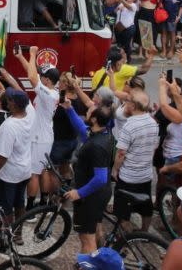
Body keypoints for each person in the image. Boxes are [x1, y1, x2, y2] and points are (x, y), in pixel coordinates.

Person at [61, 102, 112, 254]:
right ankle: (99, 258)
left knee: (86, 239)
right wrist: (69, 109)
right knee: (95, 228)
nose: (86, 113)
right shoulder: (102, 132)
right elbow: (82, 129)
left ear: (95, 119)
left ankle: (88, 263)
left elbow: (100, 178)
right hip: (100, 193)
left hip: (91, 196)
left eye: (90, 112)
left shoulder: (97, 145)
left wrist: (79, 193)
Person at [15, 45, 60, 211]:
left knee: (34, 173)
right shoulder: (50, 91)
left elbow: (33, 77)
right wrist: (21, 57)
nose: (40, 77)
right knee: (43, 170)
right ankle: (44, 203)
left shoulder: (48, 95)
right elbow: (33, 74)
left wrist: (33, 54)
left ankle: (30, 208)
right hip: (44, 136)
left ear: (47, 80)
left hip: (39, 139)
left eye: (43, 76)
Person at [112, 89, 160, 231]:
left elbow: (121, 153)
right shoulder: (153, 122)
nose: (125, 104)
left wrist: (115, 169)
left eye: (127, 101)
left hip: (128, 176)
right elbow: (153, 147)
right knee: (146, 206)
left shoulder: (129, 126)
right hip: (145, 174)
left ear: (133, 106)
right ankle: (144, 232)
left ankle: (125, 239)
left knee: (123, 211)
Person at [0, 88, 33, 226]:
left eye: (10, 99)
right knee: (19, 204)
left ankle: (6, 236)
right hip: (25, 170)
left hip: (9, 174)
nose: (7, 101)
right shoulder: (30, 116)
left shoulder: (9, 126)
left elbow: (3, 156)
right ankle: (18, 235)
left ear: (14, 104)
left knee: (5, 209)